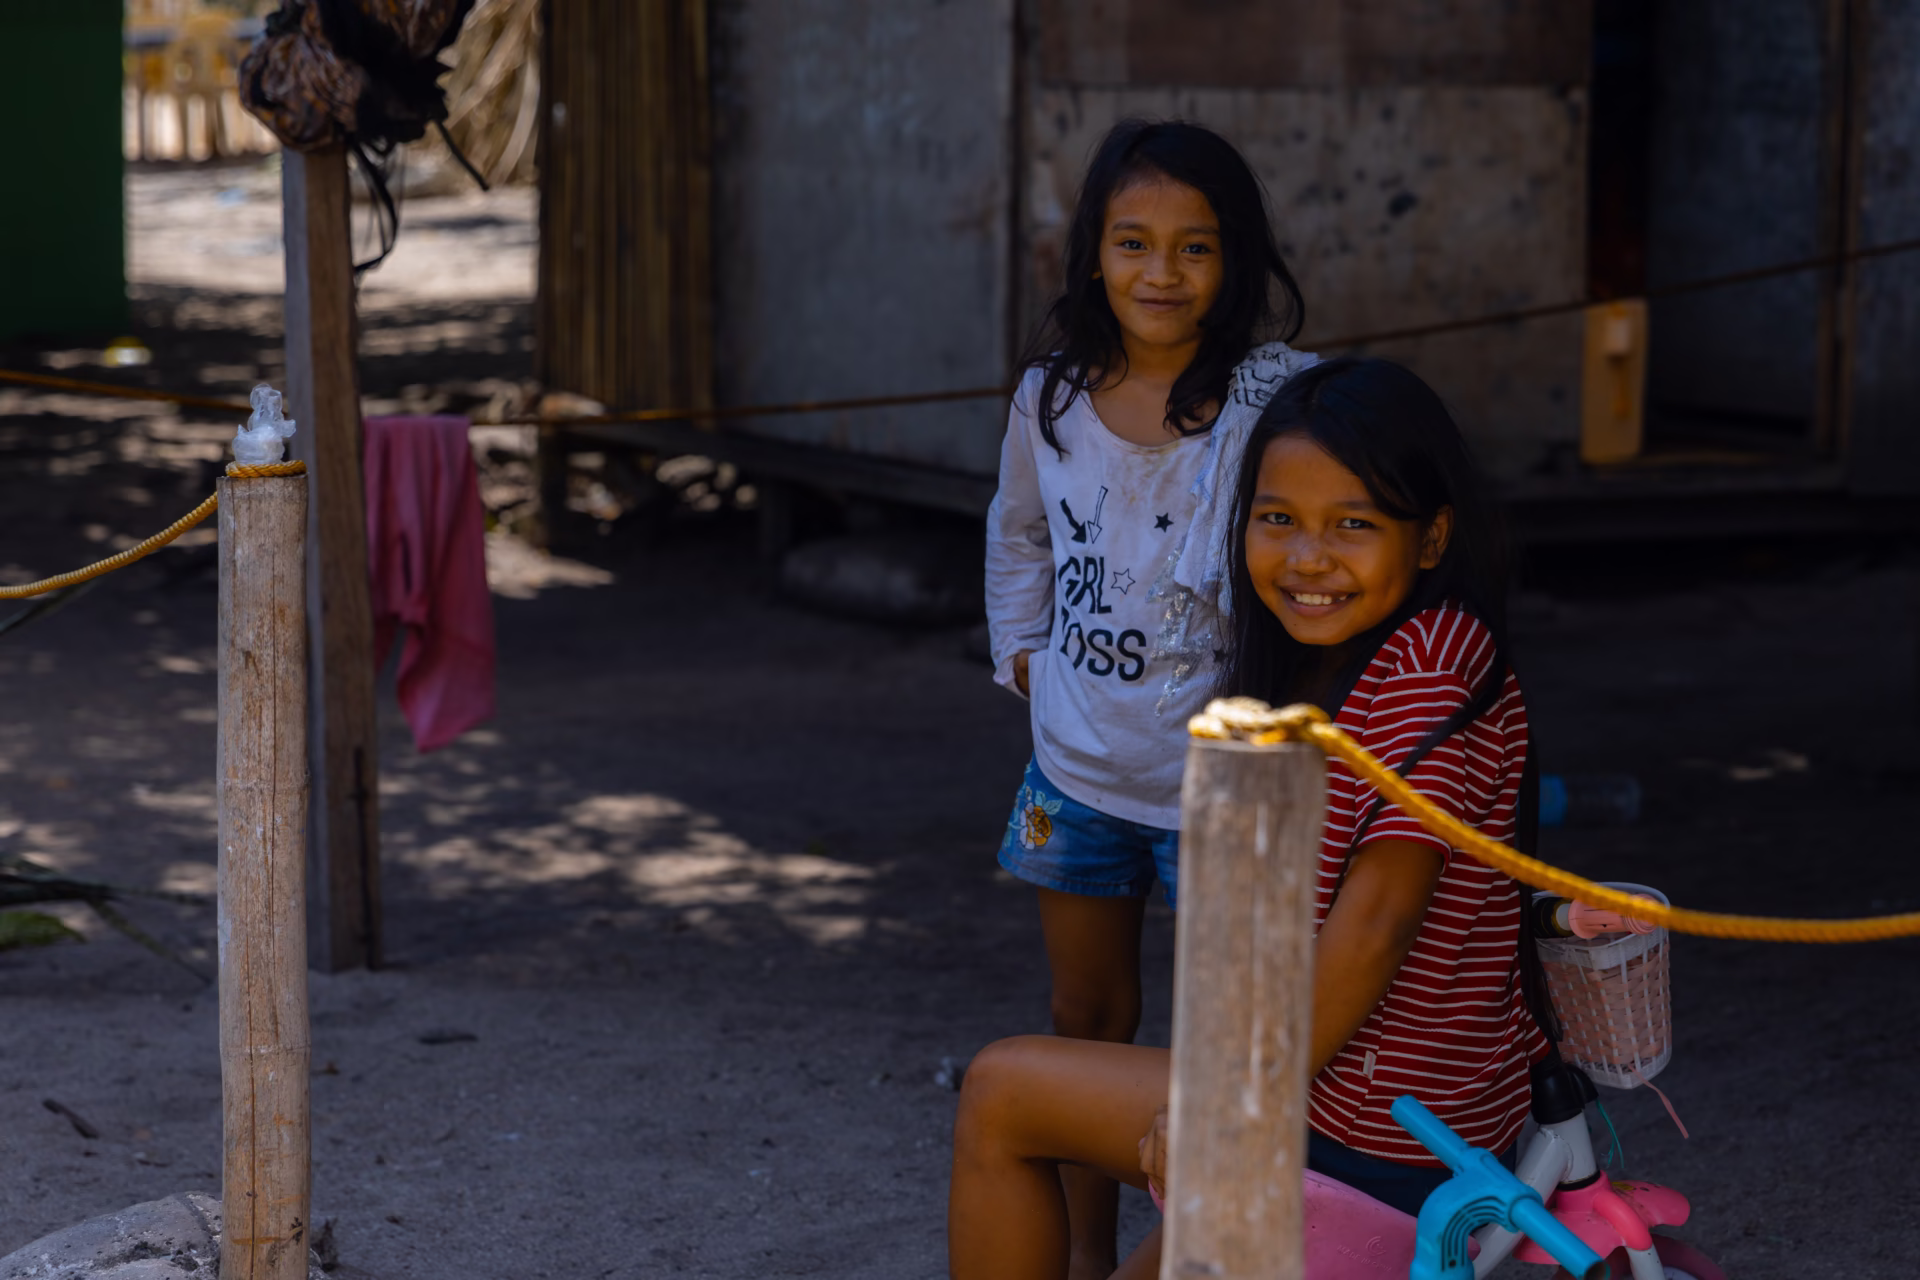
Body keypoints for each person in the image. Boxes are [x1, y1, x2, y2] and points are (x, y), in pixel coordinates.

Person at [954, 358, 1551, 1280]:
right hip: (1338, 1102)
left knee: (1002, 1092)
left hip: (1380, 1136)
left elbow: (1380, 922)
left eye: (1353, 524)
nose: (1308, 558)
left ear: (1432, 536)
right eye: (1278, 520)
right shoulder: (1333, 660)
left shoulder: (1432, 663)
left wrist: (1230, 1107)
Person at [983, 117, 1315, 1279]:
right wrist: (1025, 659)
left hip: (1223, 787)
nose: (1161, 272)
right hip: (1076, 775)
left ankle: (1203, 1257)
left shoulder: (1279, 400)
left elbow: (1320, 544)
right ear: (1092, 252)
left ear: (1237, 259)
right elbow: (1018, 533)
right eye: (1133, 242)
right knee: (1087, 1021)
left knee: (1231, 1041)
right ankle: (1088, 1252)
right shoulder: (1051, 399)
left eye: (1195, 246)